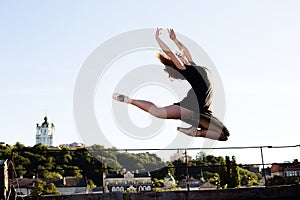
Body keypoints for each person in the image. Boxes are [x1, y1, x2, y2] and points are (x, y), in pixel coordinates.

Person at [113, 28, 230, 141]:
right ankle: (129, 100)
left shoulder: (194, 66)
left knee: (223, 135)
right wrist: (158, 39)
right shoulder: (184, 69)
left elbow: (185, 50)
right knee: (157, 112)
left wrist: (175, 40)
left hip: (202, 110)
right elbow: (169, 53)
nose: (181, 54)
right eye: (178, 55)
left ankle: (195, 132)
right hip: (190, 107)